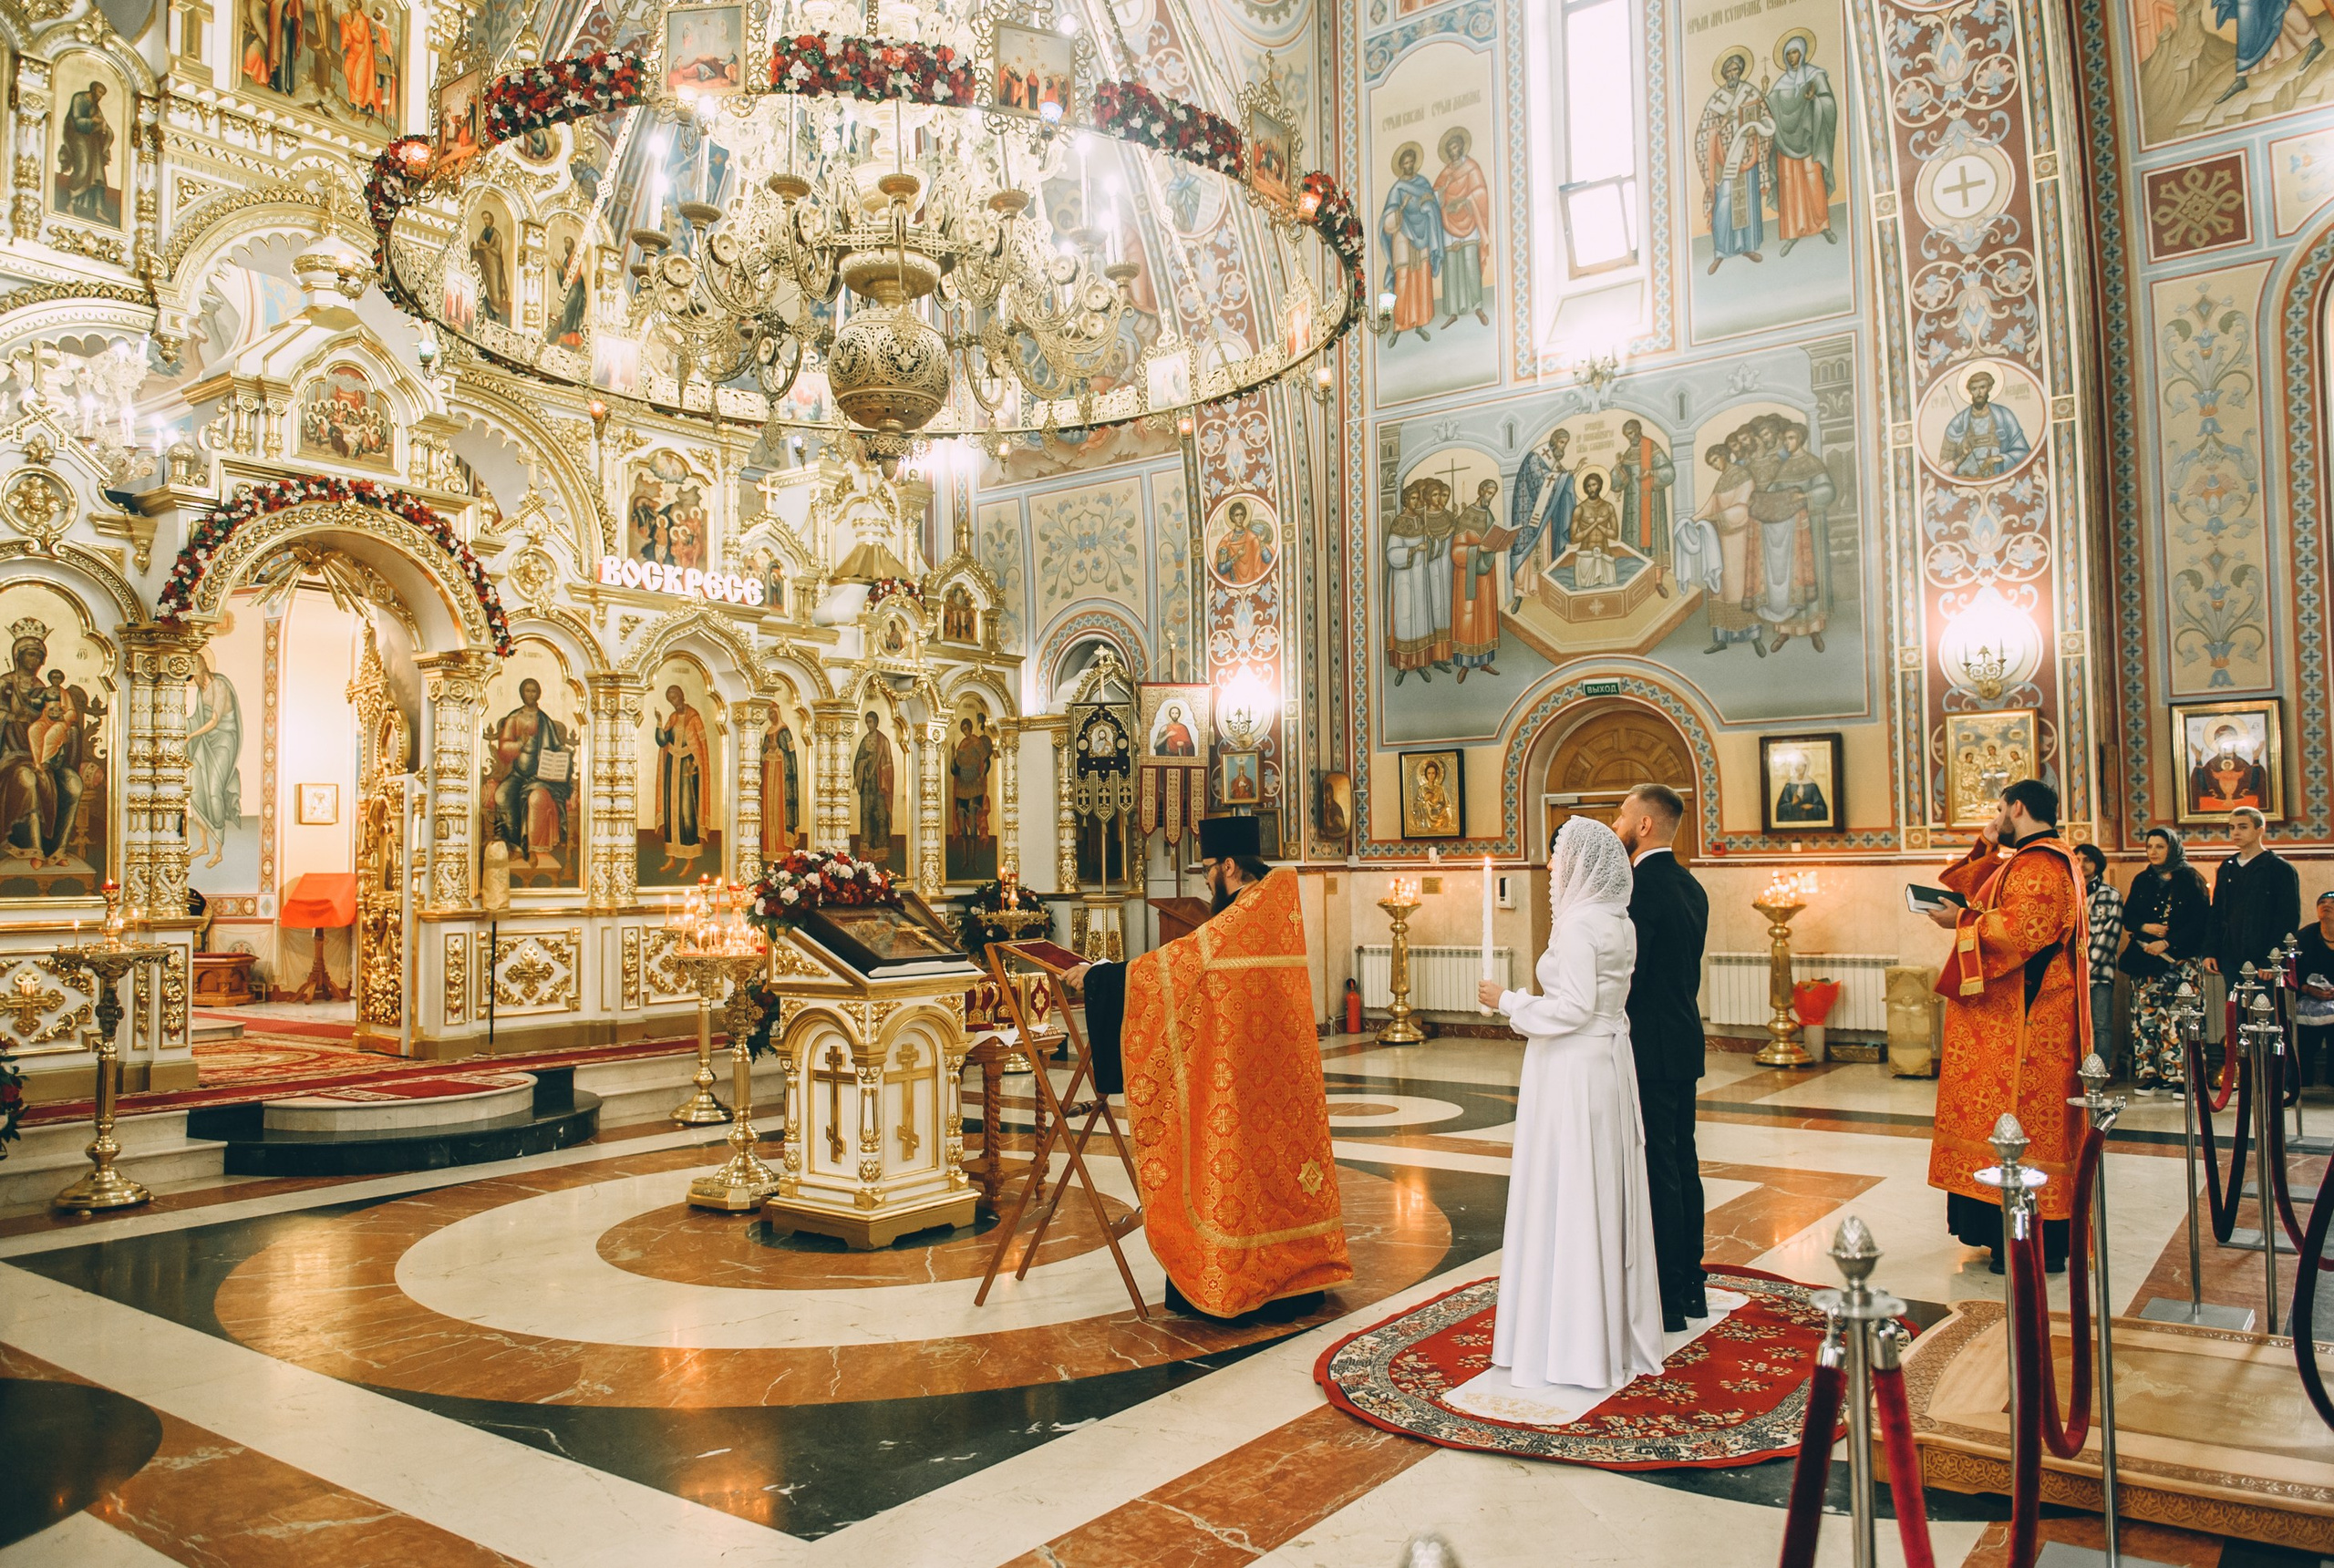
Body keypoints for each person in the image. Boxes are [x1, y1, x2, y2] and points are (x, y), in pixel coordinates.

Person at [1069, 815, 1350, 1321]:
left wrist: (1101, 977)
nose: (1204, 880)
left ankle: (1244, 1276)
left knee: (1245, 1174)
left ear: (1230, 867)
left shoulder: (1244, 916)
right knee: (1275, 1177)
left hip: (1246, 1081)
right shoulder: (1273, 907)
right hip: (1271, 1080)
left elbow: (1176, 968)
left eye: (1208, 869)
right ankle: (1296, 1275)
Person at [1475, 815, 1667, 1389]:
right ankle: (1594, 1326)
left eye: (1559, 855)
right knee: (1595, 1186)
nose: (1553, 865)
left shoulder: (1581, 925)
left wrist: (1509, 1000)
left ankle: (1572, 1340)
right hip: (1602, 1064)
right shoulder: (1618, 920)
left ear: (1583, 862)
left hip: (1575, 1068)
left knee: (1570, 1186)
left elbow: (1575, 1008)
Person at [1922, 778, 2088, 1274]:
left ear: (2018, 807)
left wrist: (1962, 923)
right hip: (2010, 1019)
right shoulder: (2024, 859)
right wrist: (1988, 840)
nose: (1997, 817)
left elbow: (2020, 932)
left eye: (2000, 810)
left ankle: (2032, 1242)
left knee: (2023, 1129)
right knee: (2001, 1124)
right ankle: (2000, 1236)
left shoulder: (2042, 864)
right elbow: (1961, 887)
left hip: (2028, 1025)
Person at [1610, 783, 1717, 1332]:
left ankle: (1668, 1296)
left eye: (1624, 813)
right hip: (1681, 1039)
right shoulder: (1690, 886)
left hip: (1646, 1047)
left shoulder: (1638, 890)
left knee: (1658, 1171)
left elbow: (1633, 975)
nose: (1618, 822)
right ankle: (1690, 1284)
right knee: (1683, 1165)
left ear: (1645, 825)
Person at [2118, 825, 2210, 1093]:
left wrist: (2168, 942)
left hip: (2180, 960)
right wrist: (2145, 929)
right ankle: (2156, 1074)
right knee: (2147, 1018)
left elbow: (2200, 922)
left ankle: (2186, 1077)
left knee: (2179, 1019)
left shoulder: (2190, 879)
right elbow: (2129, 916)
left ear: (2172, 848)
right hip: (2146, 959)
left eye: (2160, 846)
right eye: (2149, 847)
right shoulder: (2142, 879)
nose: (2154, 852)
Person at [2205, 805, 2302, 990]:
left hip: (2262, 957)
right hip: (2231, 954)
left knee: (2263, 1013)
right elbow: (2216, 912)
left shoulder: (2279, 868)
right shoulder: (2227, 866)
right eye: (2232, 828)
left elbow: (2288, 918)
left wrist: (2272, 957)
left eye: (2243, 827)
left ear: (2259, 830)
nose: (2236, 832)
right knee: (2235, 1012)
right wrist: (2210, 950)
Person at [1695, 48, 1771, 274]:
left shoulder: (1751, 92)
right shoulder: (1715, 101)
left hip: (1747, 156)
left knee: (1747, 200)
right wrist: (1720, 125)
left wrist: (1755, 129)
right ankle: (1721, 252)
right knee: (1724, 204)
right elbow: (1702, 134)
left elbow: (1766, 118)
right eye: (1729, 70)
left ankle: (1747, 247)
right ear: (1724, 73)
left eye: (1736, 69)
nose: (1733, 74)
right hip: (1724, 160)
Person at [488, 677, 573, 871]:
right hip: (519, 773)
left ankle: (530, 849)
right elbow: (503, 748)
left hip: (541, 776)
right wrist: (519, 744)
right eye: (527, 691)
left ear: (539, 694)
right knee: (502, 795)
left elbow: (556, 745)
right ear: (521, 693)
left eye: (534, 691)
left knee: (533, 799)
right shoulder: (514, 718)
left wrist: (564, 751)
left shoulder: (544, 720)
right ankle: (514, 847)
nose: (531, 694)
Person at [1767, 34, 1838, 253]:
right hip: (1784, 143)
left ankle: (1823, 225)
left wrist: (1814, 101)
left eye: (1795, 52)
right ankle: (1791, 233)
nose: (1792, 57)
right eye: (1788, 53)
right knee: (1789, 184)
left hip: (1809, 137)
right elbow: (1771, 110)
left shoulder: (1816, 76)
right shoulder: (1780, 84)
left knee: (1812, 179)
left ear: (1803, 52)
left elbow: (1828, 103)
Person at [1379, 142, 1445, 345]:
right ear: (1401, 165)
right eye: (1405, 163)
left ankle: (1420, 323)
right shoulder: (1397, 188)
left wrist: (1428, 206)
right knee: (1403, 278)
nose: (1408, 165)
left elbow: (1432, 206)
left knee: (1421, 277)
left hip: (1422, 232)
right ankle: (1399, 326)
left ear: (1415, 162)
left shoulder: (1423, 182)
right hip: (1402, 237)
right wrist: (1400, 210)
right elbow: (1388, 220)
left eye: (1411, 162)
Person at [1432, 126, 1493, 329]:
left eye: (1456, 146)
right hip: (1448, 224)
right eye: (1450, 148)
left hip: (1468, 219)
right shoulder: (1446, 172)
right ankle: (1453, 311)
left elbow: (1480, 192)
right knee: (1451, 267)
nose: (1453, 151)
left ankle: (1477, 307)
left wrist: (1465, 201)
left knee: (1470, 264)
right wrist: (1441, 194)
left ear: (1462, 147)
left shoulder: (1472, 168)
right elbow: (1435, 196)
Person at [2076, 843, 2123, 1074]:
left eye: (2087, 860)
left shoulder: (2110, 894)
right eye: (2078, 859)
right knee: (2075, 1025)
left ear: (2097, 863)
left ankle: (2099, 1073)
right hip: (2071, 971)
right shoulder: (2070, 893)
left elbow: (2109, 936)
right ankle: (2077, 1073)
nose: (2082, 864)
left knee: (2100, 1024)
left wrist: (2087, 967)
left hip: (2099, 972)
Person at [654, 684, 709, 876]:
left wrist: (695, 765)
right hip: (672, 768)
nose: (673, 702)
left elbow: (701, 748)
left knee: (687, 812)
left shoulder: (694, 717)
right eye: (670, 700)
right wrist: (659, 724)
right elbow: (663, 741)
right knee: (672, 812)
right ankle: (671, 857)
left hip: (687, 770)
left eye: (675, 698)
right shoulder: (672, 718)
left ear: (682, 696)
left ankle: (690, 859)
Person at [1937, 371, 2031, 479]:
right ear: (1970, 391)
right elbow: (1942, 468)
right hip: (1966, 481)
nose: (1978, 392)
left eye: (1982, 387)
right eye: (1974, 389)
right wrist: (1962, 456)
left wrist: (2000, 459)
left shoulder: (2005, 416)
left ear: (1990, 388)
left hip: (1998, 479)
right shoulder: (1957, 424)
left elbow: (2024, 453)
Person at [2292, 891, 2334, 1086]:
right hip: (2309, 998)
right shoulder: (2304, 937)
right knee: (2304, 1041)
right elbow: (2293, 974)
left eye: (2332, 902)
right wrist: (2308, 989)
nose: (2327, 905)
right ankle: (2302, 1085)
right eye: (2322, 902)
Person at [852, 710, 894, 862]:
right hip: (867, 788)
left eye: (871, 722)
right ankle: (866, 854)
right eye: (867, 722)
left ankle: (881, 854)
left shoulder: (883, 741)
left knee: (881, 818)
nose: (869, 725)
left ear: (876, 723)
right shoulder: (864, 741)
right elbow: (857, 761)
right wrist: (864, 763)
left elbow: (888, 764)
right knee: (866, 818)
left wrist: (880, 768)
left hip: (880, 787)